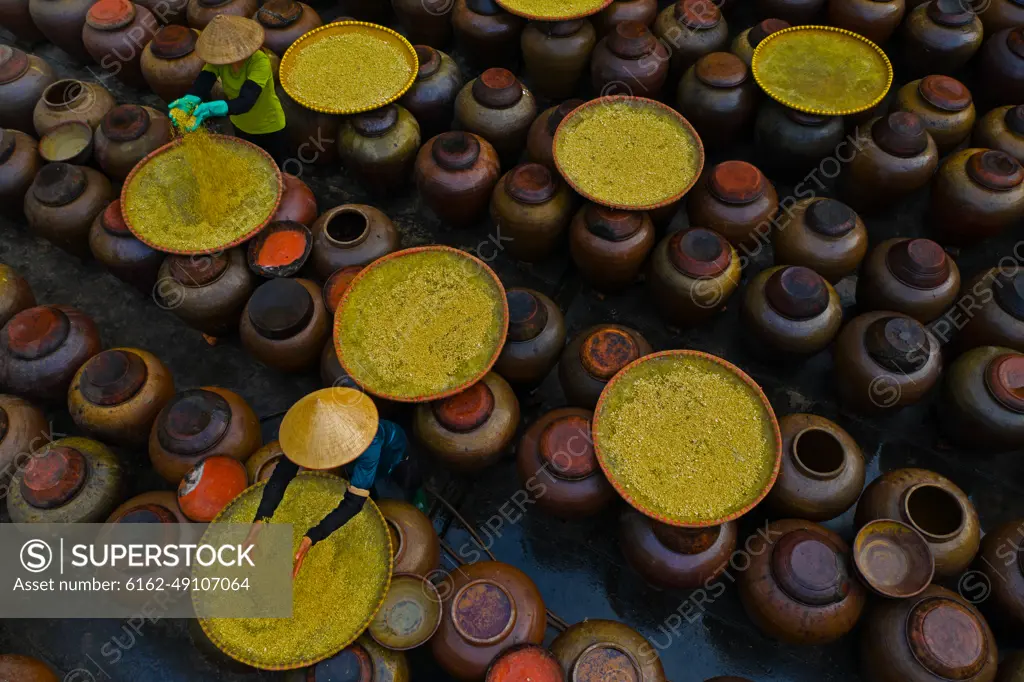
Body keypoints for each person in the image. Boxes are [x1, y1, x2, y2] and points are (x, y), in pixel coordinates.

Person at [244, 387, 415, 578]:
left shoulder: (369, 445)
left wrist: (312, 536)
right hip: (357, 461)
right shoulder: (305, 430)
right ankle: (373, 492)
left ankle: (412, 494)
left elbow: (353, 502)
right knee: (363, 483)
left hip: (391, 452)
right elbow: (281, 477)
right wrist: (260, 520)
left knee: (401, 478)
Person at [168, 14, 287, 165]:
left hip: (269, 126)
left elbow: (246, 101)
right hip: (240, 123)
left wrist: (211, 109)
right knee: (250, 162)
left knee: (275, 165)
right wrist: (190, 99)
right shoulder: (221, 61)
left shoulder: (260, 62)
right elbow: (203, 82)